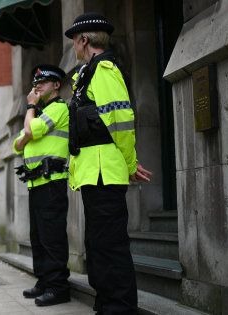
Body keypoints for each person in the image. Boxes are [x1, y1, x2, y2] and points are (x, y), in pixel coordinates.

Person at [65, 13, 152, 314]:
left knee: (110, 248)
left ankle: (119, 308)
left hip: (105, 173)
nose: (73, 47)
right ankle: (106, 304)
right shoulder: (88, 73)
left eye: (74, 41)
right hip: (95, 174)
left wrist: (130, 164)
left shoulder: (104, 70)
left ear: (84, 40)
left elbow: (121, 122)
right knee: (99, 247)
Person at [13, 65, 71, 306]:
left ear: (56, 85)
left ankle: (58, 287)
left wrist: (29, 109)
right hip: (36, 183)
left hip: (52, 183)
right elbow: (17, 144)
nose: (37, 86)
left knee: (52, 237)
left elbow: (28, 130)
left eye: (43, 82)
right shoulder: (40, 113)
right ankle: (44, 281)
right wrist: (29, 132)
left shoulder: (59, 108)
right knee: (37, 236)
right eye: (36, 83)